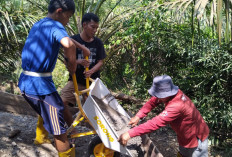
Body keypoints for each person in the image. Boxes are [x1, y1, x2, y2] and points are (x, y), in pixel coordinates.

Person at [18, 0, 90, 156]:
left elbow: (68, 40)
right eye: (68, 16)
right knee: (59, 127)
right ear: (59, 11)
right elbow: (68, 44)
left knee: (56, 106)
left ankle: (41, 138)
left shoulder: (41, 24)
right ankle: (66, 150)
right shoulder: (55, 25)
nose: (68, 20)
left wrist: (82, 47)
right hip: (37, 85)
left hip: (31, 81)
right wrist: (71, 64)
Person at [118, 75, 210, 157]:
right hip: (184, 137)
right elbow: (152, 101)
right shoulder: (170, 94)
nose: (157, 97)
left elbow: (154, 123)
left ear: (166, 93)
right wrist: (138, 116)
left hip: (196, 140)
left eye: (159, 95)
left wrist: (129, 133)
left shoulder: (177, 105)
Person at [61, 12, 106, 127]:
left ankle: (99, 135)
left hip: (92, 82)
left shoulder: (98, 43)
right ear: (84, 25)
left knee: (99, 108)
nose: (95, 30)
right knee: (61, 102)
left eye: (96, 27)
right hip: (76, 80)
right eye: (93, 27)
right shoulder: (73, 41)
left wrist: (91, 71)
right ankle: (70, 127)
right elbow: (66, 61)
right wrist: (78, 61)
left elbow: (100, 61)